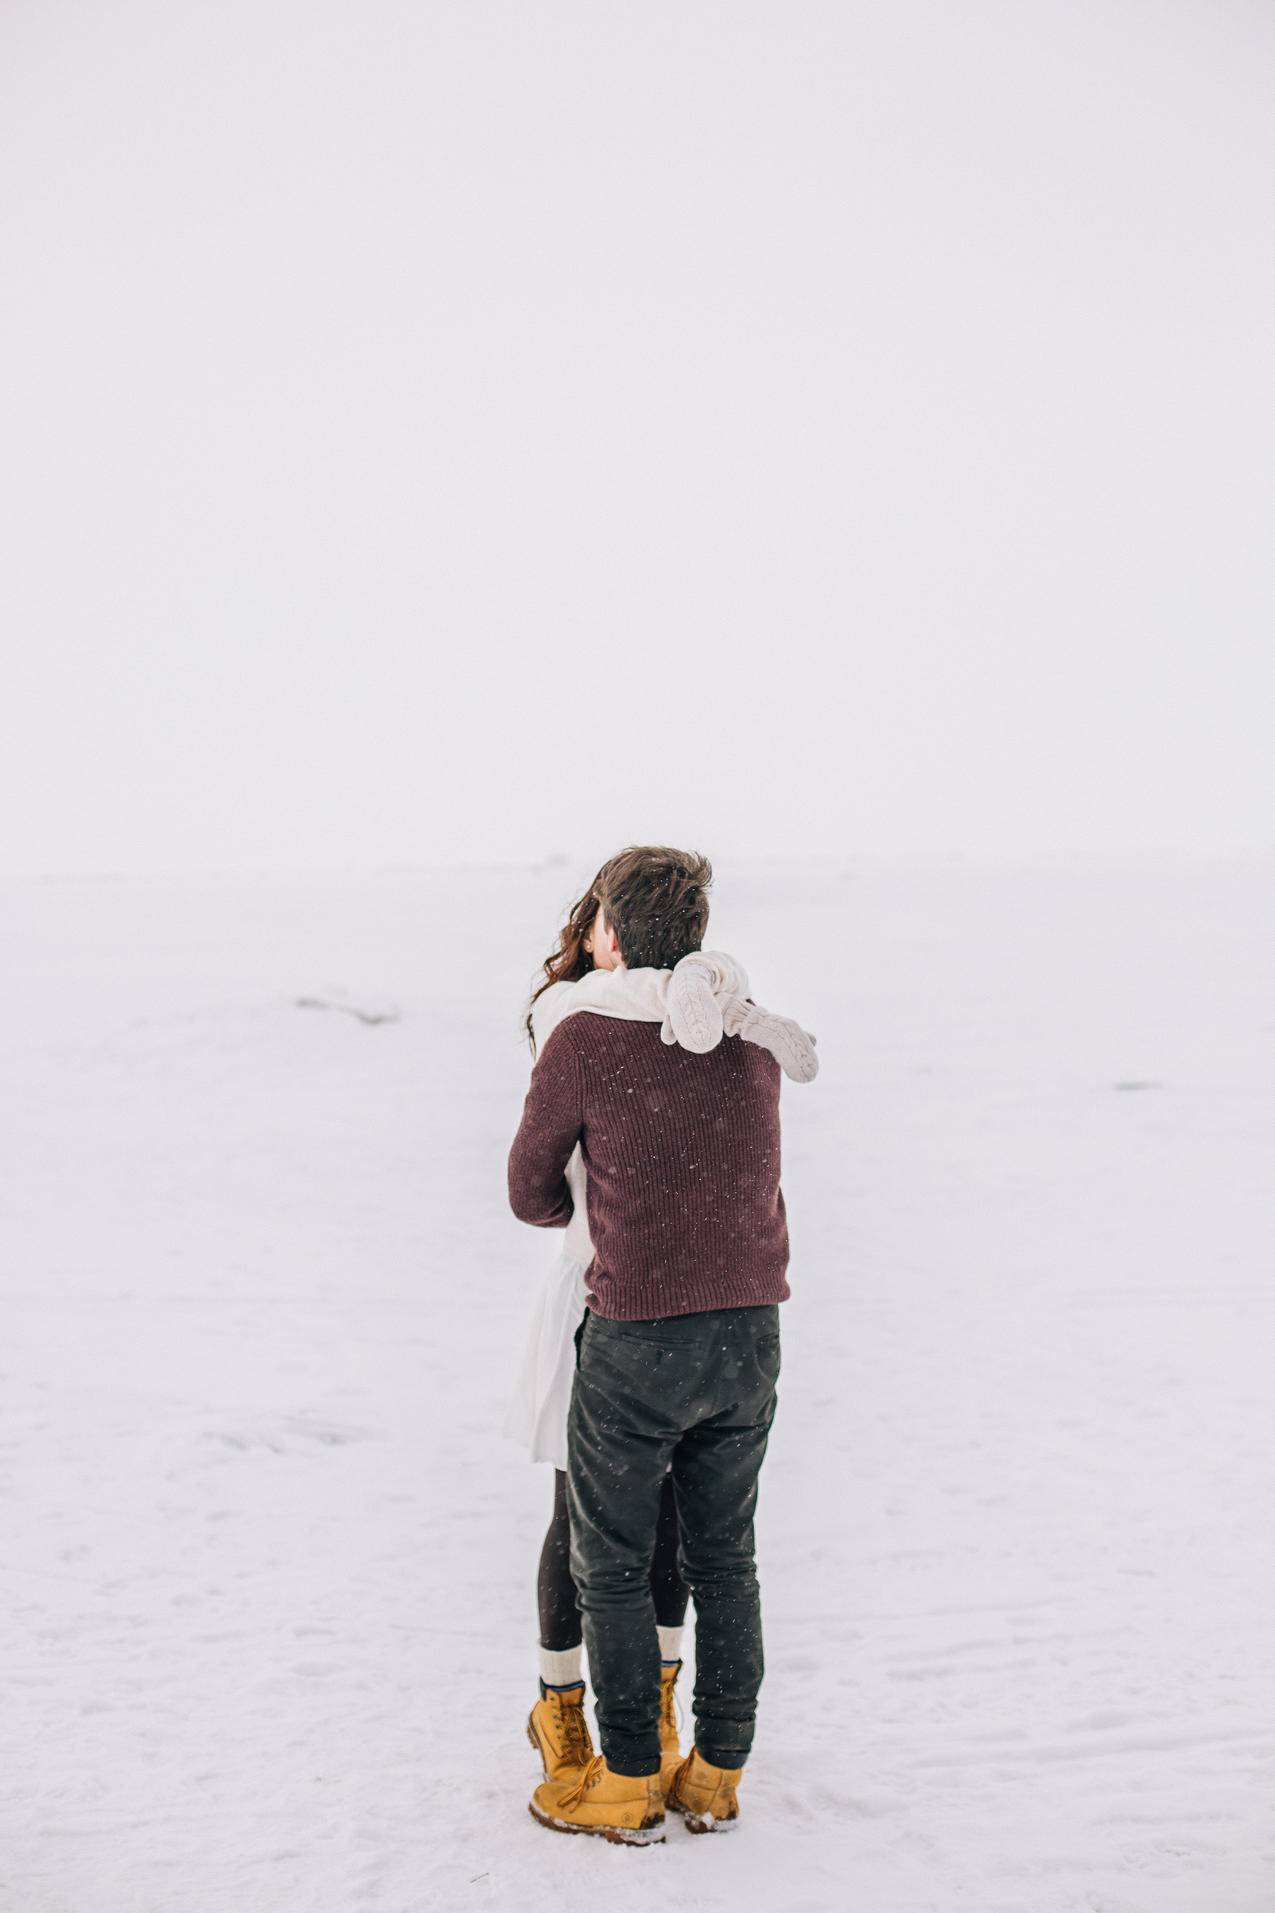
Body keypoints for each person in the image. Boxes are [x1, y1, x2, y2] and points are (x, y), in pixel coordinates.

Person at [506, 845, 817, 1845]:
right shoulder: (748, 1032)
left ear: (607, 931)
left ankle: (629, 1776)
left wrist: (585, 1207)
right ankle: (715, 1772)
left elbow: (528, 1187)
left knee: (612, 1562)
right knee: (728, 1563)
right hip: (751, 1330)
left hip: (639, 1330)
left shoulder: (587, 1036)